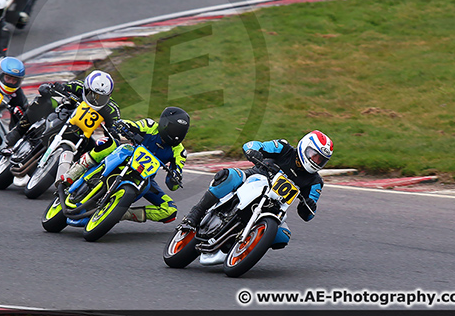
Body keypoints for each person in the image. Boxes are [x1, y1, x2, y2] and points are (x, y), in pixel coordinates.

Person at [181, 130, 333, 255]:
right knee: (228, 176)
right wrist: (253, 151)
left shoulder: (315, 182)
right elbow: (253, 145)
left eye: (321, 160)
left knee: (282, 236)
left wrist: (309, 206)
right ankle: (195, 214)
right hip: (252, 180)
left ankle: (244, 246)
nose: (316, 161)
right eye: (314, 155)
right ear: (304, 146)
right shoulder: (283, 147)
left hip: (274, 207)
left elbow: (309, 214)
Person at [61, 106, 191, 225]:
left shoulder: (180, 152)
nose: (176, 135)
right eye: (174, 129)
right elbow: (133, 125)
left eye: (180, 132)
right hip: (126, 158)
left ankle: (121, 213)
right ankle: (76, 171)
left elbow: (173, 182)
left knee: (170, 210)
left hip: (146, 178)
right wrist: (123, 125)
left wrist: (175, 177)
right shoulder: (150, 126)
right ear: (164, 124)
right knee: (110, 143)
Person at [2, 70, 121, 157]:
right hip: (63, 113)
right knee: (43, 102)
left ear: (109, 96)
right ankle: (17, 133)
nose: (95, 99)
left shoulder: (111, 109)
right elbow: (59, 87)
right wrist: (50, 88)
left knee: (97, 151)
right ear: (86, 88)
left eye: (101, 98)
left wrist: (114, 131)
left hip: (83, 134)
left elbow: (115, 129)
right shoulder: (78, 86)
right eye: (92, 94)